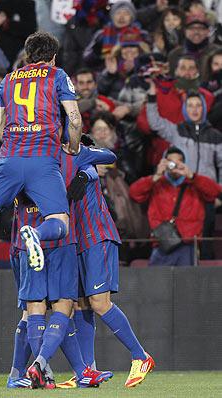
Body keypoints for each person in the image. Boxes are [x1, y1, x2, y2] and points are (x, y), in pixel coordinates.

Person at [0, 32, 82, 272]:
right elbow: (75, 119)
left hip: (9, 158)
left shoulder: (7, 80)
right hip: (43, 163)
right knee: (60, 221)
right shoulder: (57, 75)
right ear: (54, 57)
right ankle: (36, 234)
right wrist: (74, 145)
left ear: (28, 56)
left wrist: (18, 137)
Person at [8, 142, 116, 389]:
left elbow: (1, 196)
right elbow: (109, 155)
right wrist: (86, 168)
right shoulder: (68, 156)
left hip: (23, 242)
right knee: (63, 306)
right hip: (58, 241)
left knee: (34, 308)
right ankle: (40, 366)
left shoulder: (16, 160)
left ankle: (33, 374)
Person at [72, 144, 155, 388]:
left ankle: (140, 356)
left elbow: (107, 157)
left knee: (99, 302)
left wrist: (84, 173)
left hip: (97, 236)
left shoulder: (78, 152)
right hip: (75, 241)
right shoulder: (47, 158)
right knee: (80, 304)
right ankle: (88, 371)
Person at [129, 146, 221, 266]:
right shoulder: (157, 183)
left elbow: (215, 192)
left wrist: (192, 176)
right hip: (162, 241)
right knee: (158, 281)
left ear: (183, 163)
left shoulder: (194, 184)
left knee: (187, 282)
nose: (174, 166)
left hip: (188, 242)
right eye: (170, 162)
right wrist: (155, 176)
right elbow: (134, 194)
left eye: (178, 162)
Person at [137, 54, 214, 166]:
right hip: (163, 152)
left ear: (197, 71)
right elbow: (143, 121)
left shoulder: (207, 97)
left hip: (196, 154)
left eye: (191, 68)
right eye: (182, 68)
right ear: (176, 71)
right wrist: (157, 130)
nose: (187, 72)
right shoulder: (160, 92)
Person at [74, 67, 115, 134]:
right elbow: (72, 109)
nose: (85, 87)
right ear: (75, 85)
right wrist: (94, 102)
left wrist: (106, 114)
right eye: (81, 83)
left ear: (95, 84)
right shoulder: (68, 102)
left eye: (89, 82)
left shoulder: (104, 101)